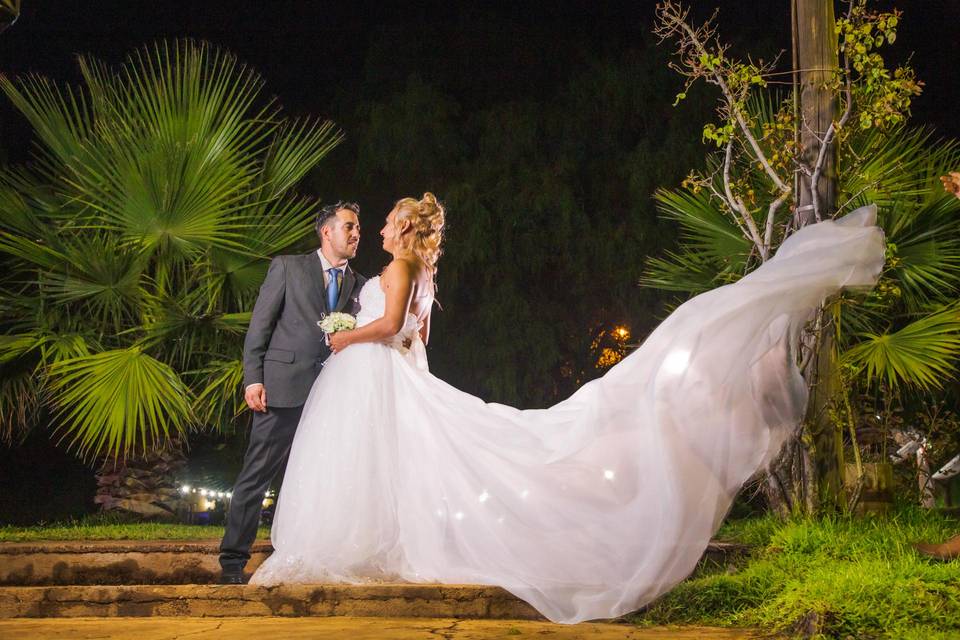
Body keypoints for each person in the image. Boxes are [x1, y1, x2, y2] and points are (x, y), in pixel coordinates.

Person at [250, 193, 886, 623]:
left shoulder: (395, 268)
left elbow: (391, 326)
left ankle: (364, 543)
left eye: (388, 220)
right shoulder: (421, 269)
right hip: (387, 378)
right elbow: (420, 337)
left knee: (386, 463)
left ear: (406, 228)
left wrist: (344, 336)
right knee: (396, 462)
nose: (382, 227)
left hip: (372, 368)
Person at [219, 201, 367, 584]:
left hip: (332, 394)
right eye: (349, 226)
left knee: (322, 477)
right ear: (326, 231)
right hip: (281, 388)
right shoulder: (287, 266)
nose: (355, 234)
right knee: (257, 474)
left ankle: (312, 557)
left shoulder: (358, 283)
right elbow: (260, 327)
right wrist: (253, 379)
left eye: (358, 228)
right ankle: (233, 561)